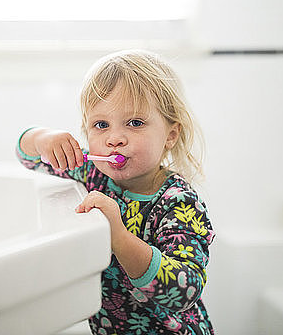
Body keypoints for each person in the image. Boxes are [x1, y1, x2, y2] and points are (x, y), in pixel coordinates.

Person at [16, 50, 215, 335]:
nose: (114, 139)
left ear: (170, 135)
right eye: (101, 125)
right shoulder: (93, 171)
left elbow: (185, 290)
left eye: (135, 123)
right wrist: (42, 138)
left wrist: (119, 238)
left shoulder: (178, 202)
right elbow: (28, 158)